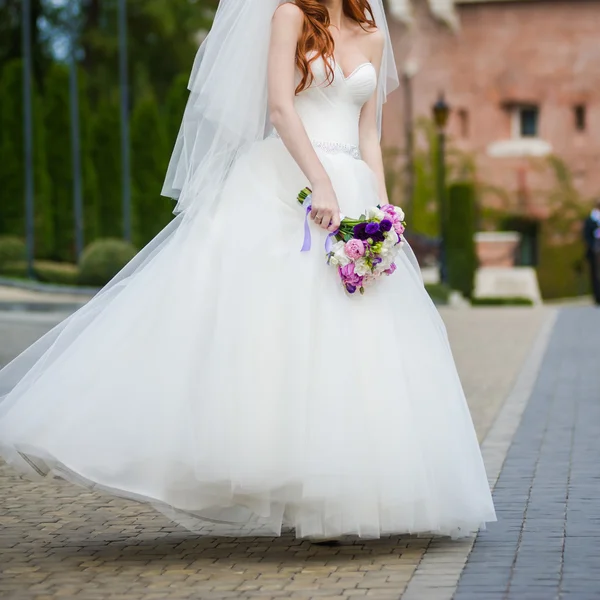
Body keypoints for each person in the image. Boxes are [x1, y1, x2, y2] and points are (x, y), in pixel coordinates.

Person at [0, 0, 496, 541]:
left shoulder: (372, 33)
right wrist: (320, 183)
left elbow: (370, 134)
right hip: (289, 183)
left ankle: (338, 489)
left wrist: (383, 213)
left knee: (358, 339)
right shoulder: (287, 16)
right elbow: (281, 109)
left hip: (353, 188)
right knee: (277, 330)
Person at [584, 200, 600, 305]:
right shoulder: (590, 220)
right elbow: (586, 236)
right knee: (595, 274)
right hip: (595, 251)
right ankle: (597, 296)